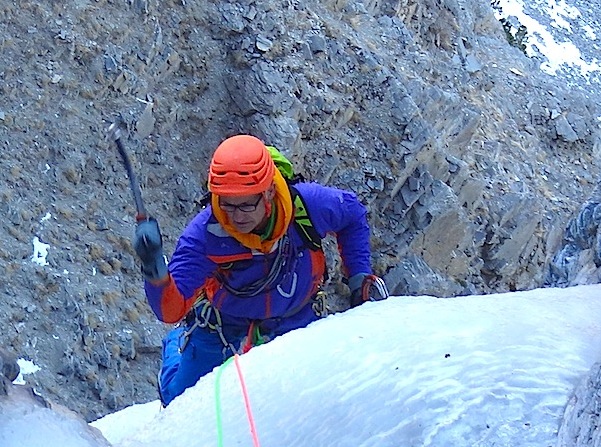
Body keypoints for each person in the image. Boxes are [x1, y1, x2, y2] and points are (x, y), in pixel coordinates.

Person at [133, 134, 387, 406]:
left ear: (268, 193)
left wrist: (359, 278)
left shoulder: (306, 205)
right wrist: (154, 266)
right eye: (227, 205)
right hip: (225, 323)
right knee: (178, 401)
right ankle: (175, 346)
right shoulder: (205, 235)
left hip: (295, 316)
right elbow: (170, 310)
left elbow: (352, 215)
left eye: (246, 205)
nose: (237, 216)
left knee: (312, 400)